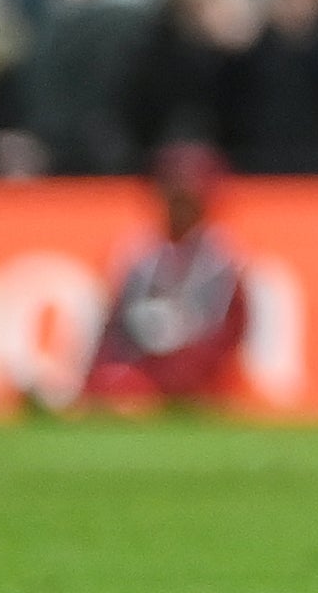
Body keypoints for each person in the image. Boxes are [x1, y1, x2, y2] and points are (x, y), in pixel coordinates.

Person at [75, 142, 250, 411]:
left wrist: (180, 371)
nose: (179, 208)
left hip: (197, 384)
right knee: (113, 384)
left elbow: (228, 335)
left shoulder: (222, 260)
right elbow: (112, 329)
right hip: (141, 371)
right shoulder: (138, 255)